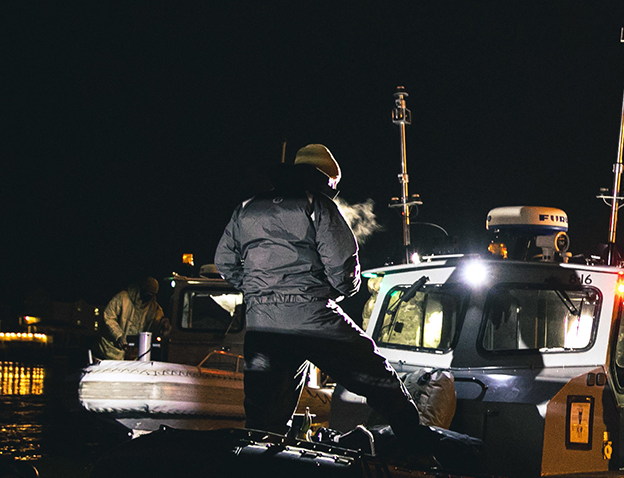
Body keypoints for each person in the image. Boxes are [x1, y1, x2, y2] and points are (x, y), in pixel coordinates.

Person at [212, 144, 425, 441]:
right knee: (374, 373)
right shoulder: (318, 205)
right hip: (311, 316)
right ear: (325, 177)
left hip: (262, 324)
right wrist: (336, 291)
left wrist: (258, 293)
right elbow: (342, 265)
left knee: (264, 411)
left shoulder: (247, 207)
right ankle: (415, 437)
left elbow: (224, 261)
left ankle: (260, 458)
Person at [95, 277, 170, 360]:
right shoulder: (122, 298)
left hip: (132, 355)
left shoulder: (154, 308)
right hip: (109, 352)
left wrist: (164, 326)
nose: (148, 297)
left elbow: (157, 325)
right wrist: (119, 335)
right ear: (140, 289)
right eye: (146, 293)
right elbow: (109, 316)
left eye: (151, 295)